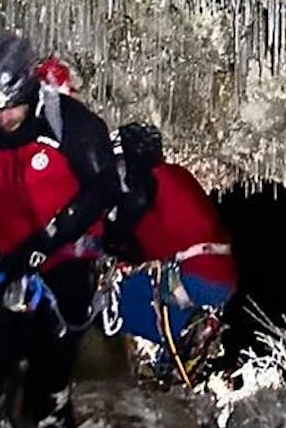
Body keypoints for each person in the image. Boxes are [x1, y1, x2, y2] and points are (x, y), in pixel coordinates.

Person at [0, 31, 120, 428]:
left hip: (67, 252)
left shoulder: (71, 124)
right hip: (8, 255)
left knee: (47, 377)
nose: (2, 118)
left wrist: (50, 237)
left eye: (10, 107)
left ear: (29, 90)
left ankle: (48, 412)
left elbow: (102, 187)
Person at [102, 121, 238, 384]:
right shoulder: (175, 175)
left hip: (195, 275)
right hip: (221, 275)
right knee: (148, 294)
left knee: (120, 303)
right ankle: (173, 358)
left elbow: (125, 233)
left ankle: (187, 327)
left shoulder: (144, 185)